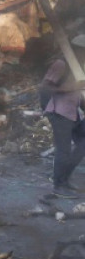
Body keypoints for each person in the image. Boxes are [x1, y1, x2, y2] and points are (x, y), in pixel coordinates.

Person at [39, 35, 85, 199]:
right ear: (77, 50)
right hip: (59, 112)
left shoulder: (79, 67)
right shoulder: (61, 64)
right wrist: (69, 87)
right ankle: (58, 185)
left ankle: (64, 177)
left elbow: (77, 93)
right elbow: (44, 87)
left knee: (82, 143)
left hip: (73, 112)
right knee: (63, 150)